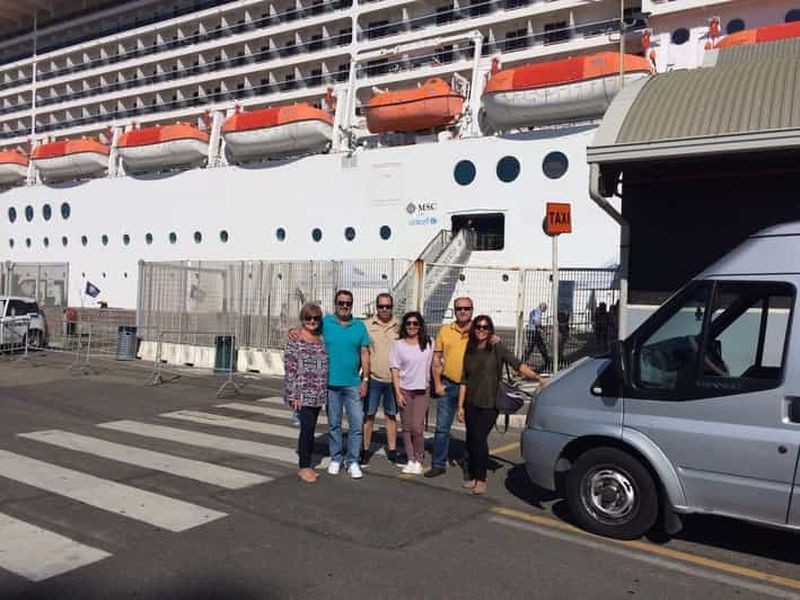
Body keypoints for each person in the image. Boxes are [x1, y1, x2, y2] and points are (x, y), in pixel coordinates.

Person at [457, 315, 543, 495]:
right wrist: (460, 406)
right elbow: (464, 379)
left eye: (485, 327)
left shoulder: (497, 347)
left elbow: (517, 364)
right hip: (471, 402)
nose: (481, 330)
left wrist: (538, 378)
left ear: (490, 330)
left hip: (489, 402)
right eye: (478, 327)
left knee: (480, 440)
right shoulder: (470, 349)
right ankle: (472, 476)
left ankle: (480, 479)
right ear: (474, 330)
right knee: (472, 440)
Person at [322, 290, 371, 479]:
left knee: (356, 424)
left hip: (353, 384)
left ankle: (353, 461)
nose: (344, 306)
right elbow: (308, 331)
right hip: (330, 384)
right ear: (335, 304)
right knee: (334, 424)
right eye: (341, 303)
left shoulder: (359, 326)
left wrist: (365, 379)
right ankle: (336, 458)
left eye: (348, 303)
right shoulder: (325, 323)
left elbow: (365, 353)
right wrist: (294, 332)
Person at [428, 296, 474, 478]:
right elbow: (436, 358)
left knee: (473, 430)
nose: (462, 311)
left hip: (471, 388)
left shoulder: (479, 331)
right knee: (442, 428)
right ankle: (438, 464)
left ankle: (470, 468)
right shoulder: (445, 331)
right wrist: (438, 384)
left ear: (472, 310)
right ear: (454, 311)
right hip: (448, 384)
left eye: (466, 308)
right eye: (459, 308)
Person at [283, 303, 328, 484]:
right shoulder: (295, 340)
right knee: (307, 429)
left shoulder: (320, 339)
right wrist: (294, 394)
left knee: (310, 428)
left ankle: (307, 462)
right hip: (302, 392)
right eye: (308, 318)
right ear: (302, 319)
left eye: (315, 318)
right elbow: (290, 368)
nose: (312, 321)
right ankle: (304, 466)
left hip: (317, 393)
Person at [389, 312, 433, 476]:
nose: (412, 327)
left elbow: (437, 360)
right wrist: (398, 392)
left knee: (417, 428)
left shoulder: (428, 343)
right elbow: (395, 370)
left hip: (422, 390)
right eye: (408, 323)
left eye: (415, 323)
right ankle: (410, 459)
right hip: (405, 390)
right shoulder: (398, 345)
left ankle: (419, 459)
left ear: (420, 326)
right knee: (406, 428)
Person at [363, 293, 400, 465]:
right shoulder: (367, 326)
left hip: (393, 380)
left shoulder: (400, 326)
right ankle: (364, 449)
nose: (384, 309)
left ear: (392, 307)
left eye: (388, 306)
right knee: (368, 415)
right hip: (373, 378)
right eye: (381, 306)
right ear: (376, 307)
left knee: (391, 416)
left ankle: (392, 450)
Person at [524, 302, 550, 371]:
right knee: (536, 347)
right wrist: (541, 328)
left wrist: (542, 328)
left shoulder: (534, 311)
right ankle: (547, 362)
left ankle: (523, 361)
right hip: (533, 332)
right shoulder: (537, 312)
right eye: (545, 309)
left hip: (531, 331)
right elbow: (536, 321)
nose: (545, 311)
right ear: (542, 308)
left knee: (533, 347)